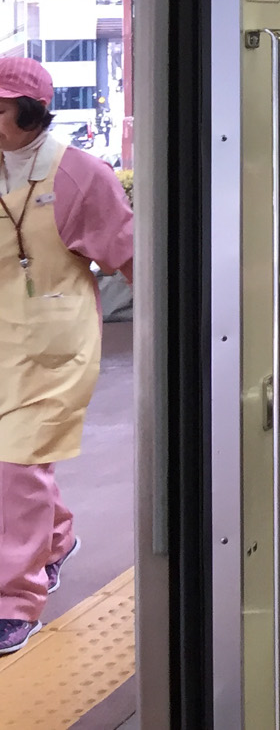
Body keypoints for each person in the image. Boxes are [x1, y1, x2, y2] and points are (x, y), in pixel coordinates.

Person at [0, 58, 134, 652]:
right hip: (3, 340)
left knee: (14, 465)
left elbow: (129, 254)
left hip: (55, 345)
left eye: (1, 109)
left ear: (32, 113)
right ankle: (55, 539)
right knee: (17, 464)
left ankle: (15, 598)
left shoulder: (79, 175)